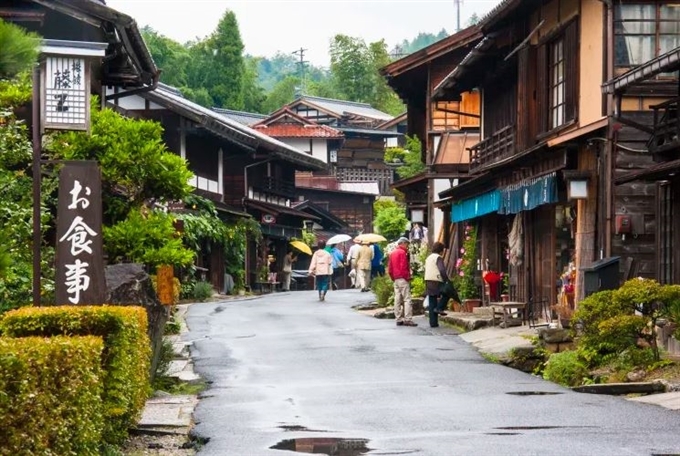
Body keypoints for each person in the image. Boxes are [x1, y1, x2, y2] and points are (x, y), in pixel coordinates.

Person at [424, 242, 456, 328]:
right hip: (436, 280)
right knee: (448, 293)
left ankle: (433, 323)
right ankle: (439, 308)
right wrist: (446, 280)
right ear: (440, 250)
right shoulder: (438, 257)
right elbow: (441, 270)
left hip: (428, 280)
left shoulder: (428, 258)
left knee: (432, 301)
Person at [388, 237, 417, 326]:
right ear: (403, 243)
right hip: (402, 278)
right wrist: (407, 277)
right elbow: (404, 266)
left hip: (396, 278)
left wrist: (393, 277)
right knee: (407, 299)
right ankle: (408, 318)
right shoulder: (402, 252)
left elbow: (390, 268)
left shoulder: (392, 253)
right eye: (407, 244)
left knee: (397, 298)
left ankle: (398, 318)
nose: (407, 246)